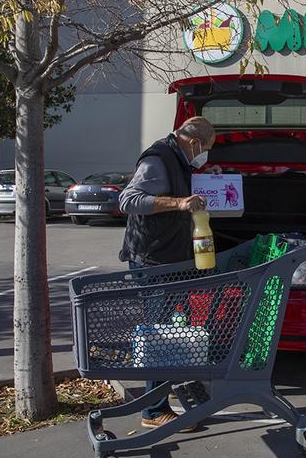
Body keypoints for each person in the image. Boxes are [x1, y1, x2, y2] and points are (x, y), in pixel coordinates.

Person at [119, 116, 216, 430]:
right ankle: (153, 411)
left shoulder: (178, 159)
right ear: (194, 142)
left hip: (168, 260)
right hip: (153, 262)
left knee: (170, 332)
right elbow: (129, 200)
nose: (205, 156)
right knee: (157, 335)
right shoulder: (158, 159)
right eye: (206, 150)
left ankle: (167, 397)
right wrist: (179, 202)